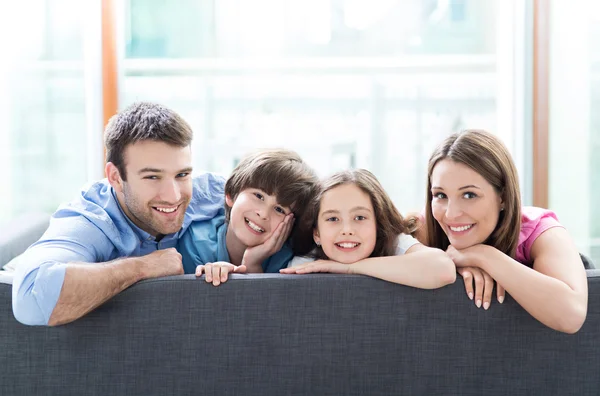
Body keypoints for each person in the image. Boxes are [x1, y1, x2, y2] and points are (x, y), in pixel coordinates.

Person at [12, 102, 225, 326]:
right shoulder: (90, 219)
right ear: (115, 177)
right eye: (152, 177)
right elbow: (30, 298)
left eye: (182, 174)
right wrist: (144, 266)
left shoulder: (212, 192)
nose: (173, 196)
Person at [418, 129, 587, 333]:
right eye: (440, 195)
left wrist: (483, 256)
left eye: (469, 195)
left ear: (504, 197)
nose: (451, 214)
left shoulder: (542, 231)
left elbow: (572, 316)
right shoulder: (426, 225)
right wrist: (449, 265)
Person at [280, 169, 456, 289]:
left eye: (360, 218)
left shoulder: (394, 242)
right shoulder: (304, 265)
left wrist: (351, 268)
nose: (347, 230)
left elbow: (443, 268)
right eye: (333, 219)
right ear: (316, 233)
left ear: (377, 226)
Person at [178, 149, 319, 286]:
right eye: (259, 196)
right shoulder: (195, 243)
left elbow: (262, 308)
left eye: (279, 209)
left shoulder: (289, 262)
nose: (263, 214)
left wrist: (252, 264)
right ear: (231, 194)